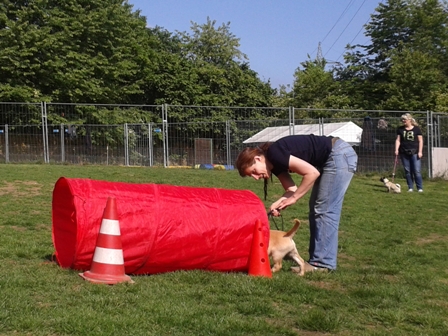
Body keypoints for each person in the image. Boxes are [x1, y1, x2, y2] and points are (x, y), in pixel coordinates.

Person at [235, 135, 357, 273]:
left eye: (253, 172)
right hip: (333, 157)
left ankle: (322, 264)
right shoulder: (274, 164)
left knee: (324, 210)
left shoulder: (275, 154)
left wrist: (294, 198)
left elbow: (312, 173)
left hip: (338, 155)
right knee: (317, 210)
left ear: (257, 159)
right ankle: (316, 262)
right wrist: (280, 203)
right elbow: (291, 190)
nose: (256, 178)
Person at [395, 113, 424, 192]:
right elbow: (398, 140)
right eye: (402, 119)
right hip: (404, 152)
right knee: (407, 171)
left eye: (405, 119)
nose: (403, 121)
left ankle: (420, 188)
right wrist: (396, 150)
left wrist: (420, 152)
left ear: (409, 120)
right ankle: (410, 187)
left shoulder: (416, 129)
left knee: (417, 171)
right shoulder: (400, 129)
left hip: (415, 152)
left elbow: (420, 141)